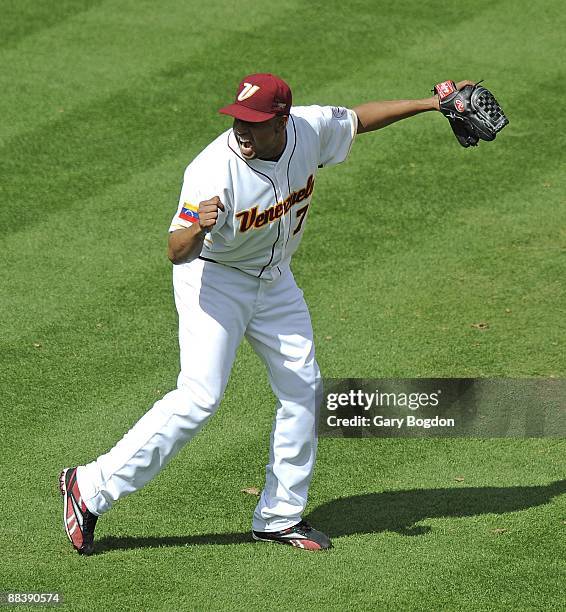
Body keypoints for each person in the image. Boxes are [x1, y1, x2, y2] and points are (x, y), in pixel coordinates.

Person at [60, 73, 474, 554]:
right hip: (215, 281)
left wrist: (430, 104)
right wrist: (197, 228)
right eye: (238, 119)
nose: (242, 129)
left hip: (276, 281)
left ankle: (279, 516)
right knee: (198, 399)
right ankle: (89, 488)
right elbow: (175, 251)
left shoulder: (308, 130)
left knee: (305, 392)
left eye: (253, 122)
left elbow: (359, 119)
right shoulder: (212, 170)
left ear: (280, 122)